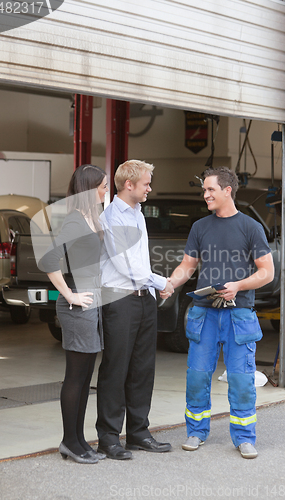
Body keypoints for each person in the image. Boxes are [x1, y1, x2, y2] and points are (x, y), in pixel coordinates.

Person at [161, 167, 274, 459]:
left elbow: (267, 273)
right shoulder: (200, 227)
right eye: (204, 190)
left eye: (210, 189)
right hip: (205, 313)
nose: (205, 195)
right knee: (197, 376)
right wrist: (171, 283)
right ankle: (196, 431)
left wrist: (239, 285)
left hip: (239, 314)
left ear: (227, 191)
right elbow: (187, 266)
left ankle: (245, 437)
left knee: (241, 378)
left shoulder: (251, 228)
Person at [96, 159, 174, 460]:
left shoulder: (138, 213)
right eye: (145, 183)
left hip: (143, 299)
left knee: (143, 369)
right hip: (120, 299)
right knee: (116, 368)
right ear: (129, 185)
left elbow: (141, 261)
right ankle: (108, 437)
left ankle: (139, 433)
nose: (149, 188)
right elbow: (125, 264)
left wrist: (154, 287)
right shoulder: (112, 217)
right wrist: (161, 281)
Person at [38, 164, 109, 464]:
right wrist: (69, 295)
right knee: (76, 377)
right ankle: (70, 441)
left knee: (85, 377)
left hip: (92, 304)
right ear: (89, 188)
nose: (106, 191)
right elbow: (49, 260)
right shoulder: (73, 222)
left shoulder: (90, 218)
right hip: (77, 307)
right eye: (103, 186)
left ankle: (79, 441)